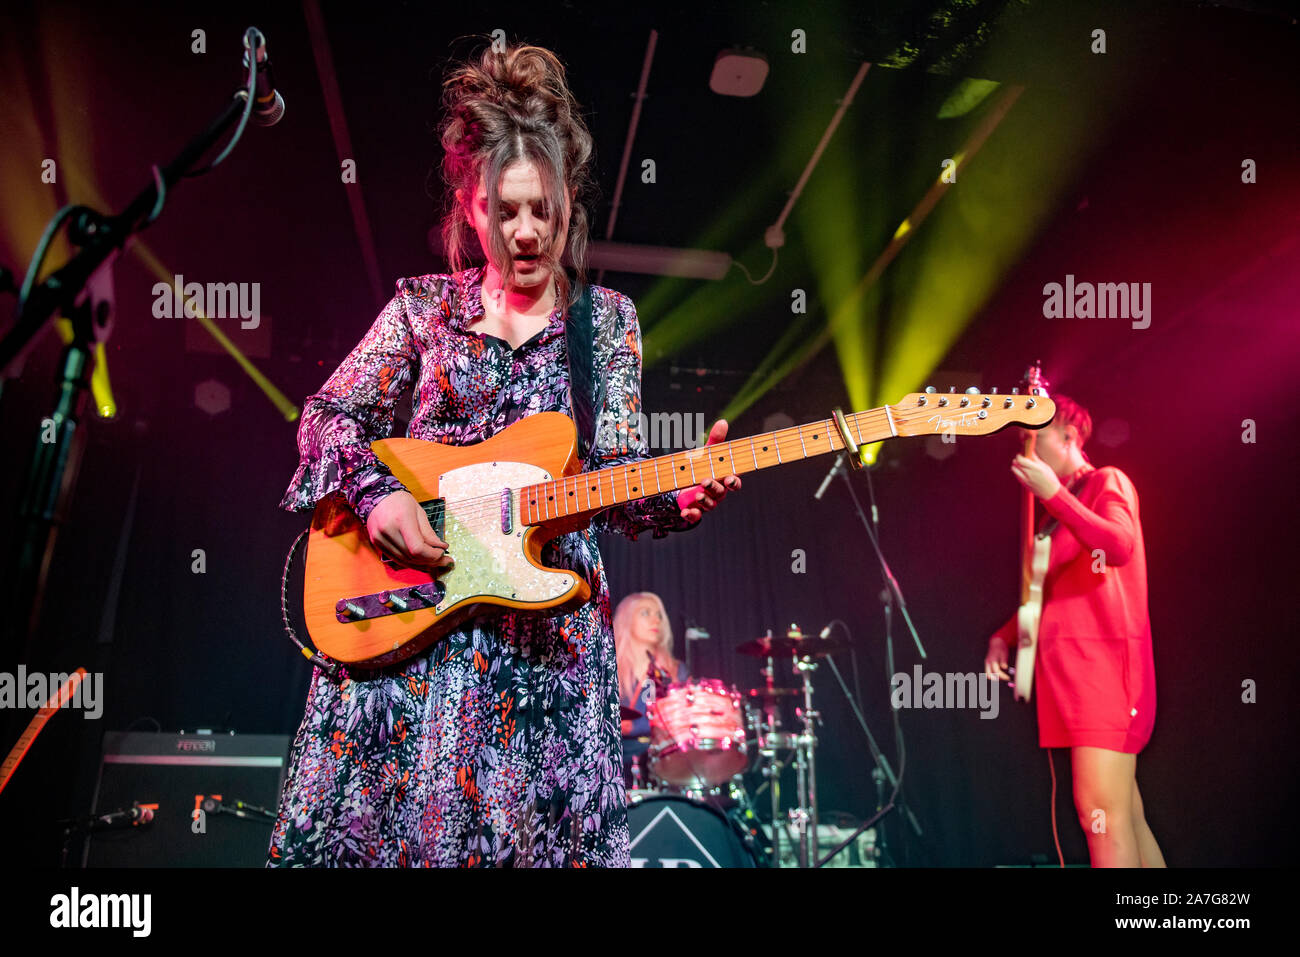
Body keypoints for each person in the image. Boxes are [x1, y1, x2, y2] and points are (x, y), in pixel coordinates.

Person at [268, 42, 740, 867]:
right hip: (412, 644)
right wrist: (380, 496)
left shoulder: (607, 323)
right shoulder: (421, 310)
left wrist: (676, 498)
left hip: (546, 666)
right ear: (471, 207)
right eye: (504, 212)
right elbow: (327, 415)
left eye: (544, 212)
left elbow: (620, 479)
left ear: (568, 205)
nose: (526, 235)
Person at [984, 395, 1164, 868]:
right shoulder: (1057, 513)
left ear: (1068, 436)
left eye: (1035, 438)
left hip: (1104, 673)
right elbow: (1050, 593)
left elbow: (1120, 544)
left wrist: (1054, 495)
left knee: (1101, 817)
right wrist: (1003, 634)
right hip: (1071, 678)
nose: (1027, 452)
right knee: (1124, 818)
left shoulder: (1107, 481)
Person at [613, 592, 687, 782]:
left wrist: (635, 726)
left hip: (664, 762)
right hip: (614, 764)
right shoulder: (607, 669)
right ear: (626, 620)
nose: (656, 620)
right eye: (646, 613)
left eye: (659, 615)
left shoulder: (676, 671)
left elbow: (682, 725)